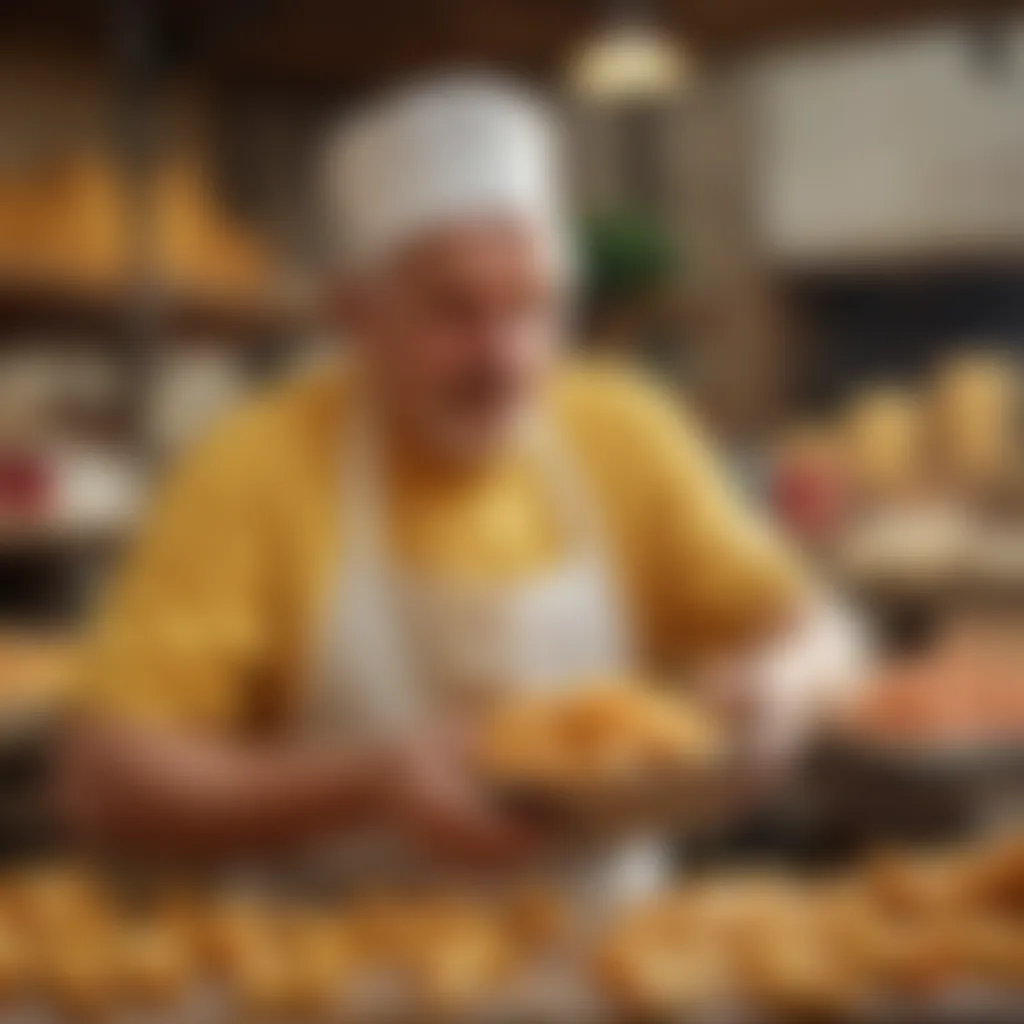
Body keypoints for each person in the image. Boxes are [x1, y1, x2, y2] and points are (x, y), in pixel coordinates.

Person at [57, 77, 862, 878]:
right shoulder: (253, 463)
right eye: (455, 311)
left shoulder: (627, 430)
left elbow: (822, 631)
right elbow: (107, 778)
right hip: (348, 982)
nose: (505, 361)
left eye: (533, 308)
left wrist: (783, 688)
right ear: (356, 315)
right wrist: (366, 785)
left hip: (607, 974)